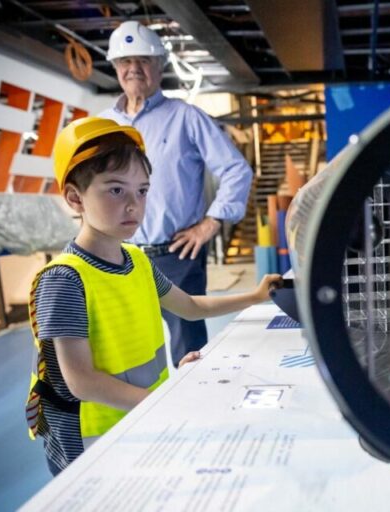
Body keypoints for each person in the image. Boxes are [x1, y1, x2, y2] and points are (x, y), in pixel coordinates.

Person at [25, 117, 280, 476]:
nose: (133, 204)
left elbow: (189, 307)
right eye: (115, 190)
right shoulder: (66, 279)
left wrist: (253, 296)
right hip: (91, 443)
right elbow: (79, 380)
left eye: (142, 191)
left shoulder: (137, 260)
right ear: (74, 197)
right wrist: (163, 402)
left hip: (139, 420)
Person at [99, 20, 253, 367]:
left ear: (159, 66)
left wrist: (211, 223)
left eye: (143, 60)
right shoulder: (103, 125)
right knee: (127, 352)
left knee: (188, 353)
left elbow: (236, 170)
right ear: (115, 68)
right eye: (125, 62)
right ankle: (142, 418)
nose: (134, 69)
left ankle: (194, 416)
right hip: (117, 257)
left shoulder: (186, 118)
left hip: (177, 257)